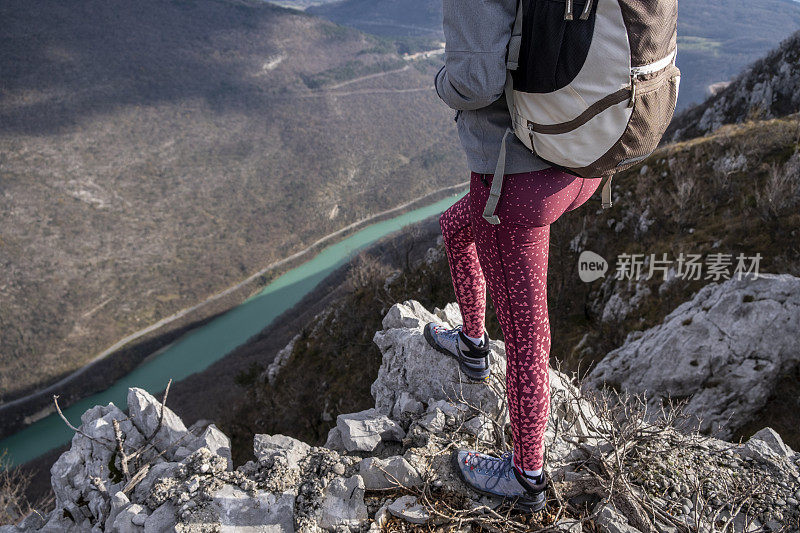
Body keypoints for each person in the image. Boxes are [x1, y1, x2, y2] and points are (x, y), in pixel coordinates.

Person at [423, 0, 602, 512]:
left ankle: (526, 476)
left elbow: (475, 82)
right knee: (455, 226)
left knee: (526, 329)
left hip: (518, 178)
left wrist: (439, 84)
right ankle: (473, 344)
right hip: (581, 159)